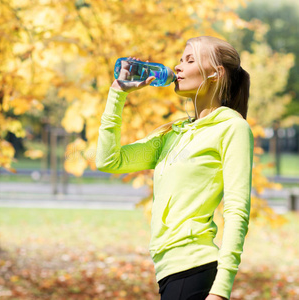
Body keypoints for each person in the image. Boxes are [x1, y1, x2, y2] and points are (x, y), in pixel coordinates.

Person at [96, 36, 254, 300]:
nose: (178, 67)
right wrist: (117, 94)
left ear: (216, 73)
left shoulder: (232, 128)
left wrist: (221, 290)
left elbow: (237, 211)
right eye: (180, 60)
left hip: (194, 270)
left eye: (190, 60)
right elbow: (108, 160)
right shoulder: (174, 133)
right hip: (169, 272)